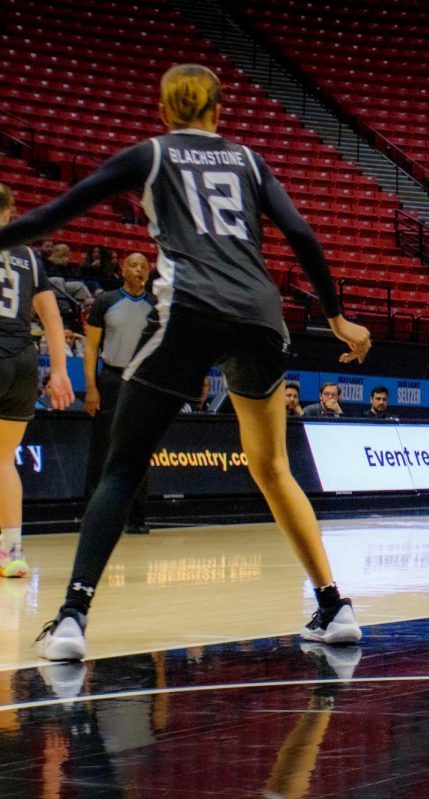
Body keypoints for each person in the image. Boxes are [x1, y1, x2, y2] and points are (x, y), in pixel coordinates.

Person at [0, 64, 372, 661]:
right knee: (274, 467)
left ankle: (72, 616)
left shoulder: (151, 155)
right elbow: (302, 233)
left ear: (164, 109)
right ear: (219, 110)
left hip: (191, 314)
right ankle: (334, 605)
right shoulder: (248, 160)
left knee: (122, 468)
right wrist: (335, 317)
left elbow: (52, 215)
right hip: (261, 318)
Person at [0, 184, 76, 579]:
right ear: (11, 210)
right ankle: (11, 553)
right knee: (3, 460)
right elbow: (52, 319)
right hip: (24, 360)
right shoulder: (29, 257)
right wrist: (60, 370)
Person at [84, 250, 155, 534]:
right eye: (133, 265)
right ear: (123, 270)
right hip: (112, 379)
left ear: (149, 273)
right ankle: (94, 515)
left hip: (143, 382)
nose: (138, 269)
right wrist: (91, 386)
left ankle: (137, 517)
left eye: (143, 266)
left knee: (140, 448)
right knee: (103, 448)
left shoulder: (156, 305)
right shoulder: (105, 301)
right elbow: (90, 347)